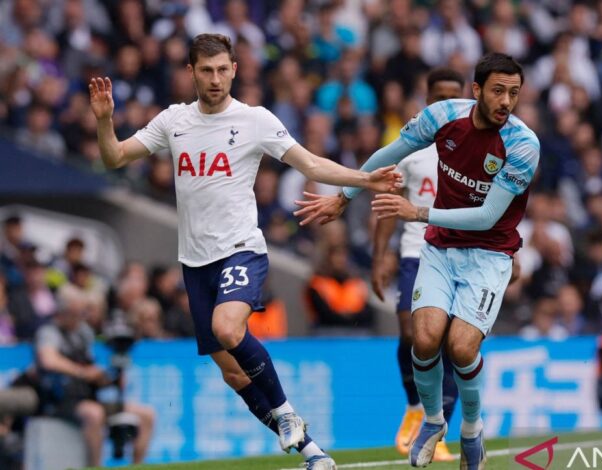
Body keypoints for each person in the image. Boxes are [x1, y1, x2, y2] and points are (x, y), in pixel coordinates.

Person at [89, 33, 401, 470]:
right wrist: (105, 122)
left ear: (234, 69)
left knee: (229, 328)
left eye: (222, 69)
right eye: (206, 70)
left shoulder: (254, 120)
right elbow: (114, 158)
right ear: (191, 73)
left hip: (241, 250)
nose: (215, 79)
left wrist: (365, 181)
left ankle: (286, 410)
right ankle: (314, 454)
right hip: (194, 264)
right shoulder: (174, 121)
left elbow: (310, 163)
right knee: (234, 373)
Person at [296, 52, 539, 470]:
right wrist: (343, 196)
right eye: (498, 91)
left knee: (462, 348)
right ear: (477, 90)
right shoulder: (443, 116)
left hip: (489, 254)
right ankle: (431, 421)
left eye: (514, 93)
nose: (506, 102)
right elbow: (389, 153)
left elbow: (487, 217)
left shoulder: (521, 145)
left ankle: (473, 430)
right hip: (441, 249)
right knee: (423, 339)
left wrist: (418, 213)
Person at [370, 68, 465, 462]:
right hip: (415, 252)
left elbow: (503, 208)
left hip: (462, 257)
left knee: (454, 347)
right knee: (412, 333)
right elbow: (389, 206)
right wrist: (379, 256)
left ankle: (438, 429)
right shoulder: (408, 148)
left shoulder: (478, 150)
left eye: (453, 98)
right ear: (427, 100)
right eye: (438, 97)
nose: (445, 106)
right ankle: (415, 406)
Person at [35, 285, 156, 466]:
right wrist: (82, 372)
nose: (80, 318)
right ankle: (95, 467)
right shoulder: (48, 332)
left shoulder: (83, 332)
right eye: (76, 313)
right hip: (60, 400)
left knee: (147, 415)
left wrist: (108, 379)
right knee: (95, 414)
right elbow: (48, 361)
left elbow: (94, 366)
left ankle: (136, 467)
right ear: (63, 311)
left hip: (89, 396)